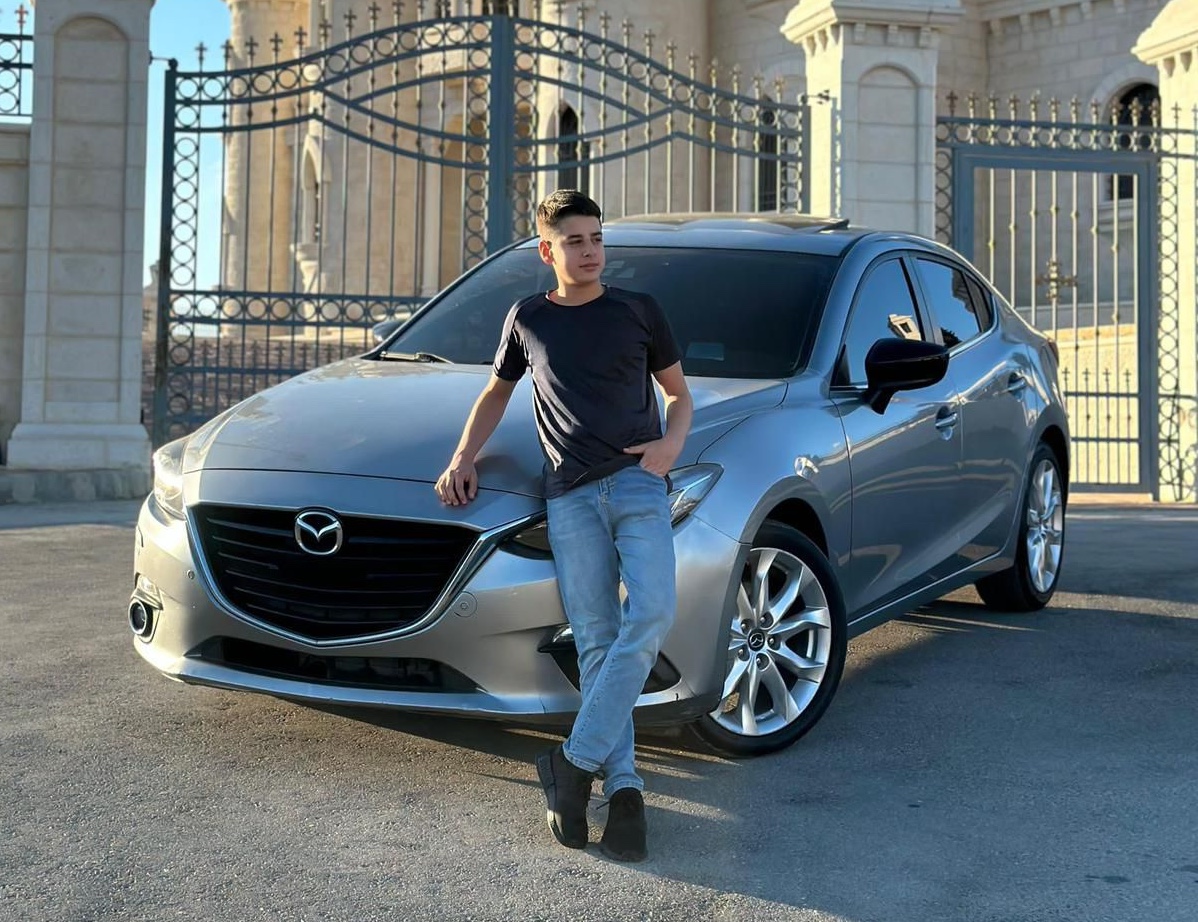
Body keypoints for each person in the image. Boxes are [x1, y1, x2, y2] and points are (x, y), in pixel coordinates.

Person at [434, 190, 693, 862]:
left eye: (596, 238)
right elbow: (496, 392)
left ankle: (572, 763)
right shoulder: (529, 318)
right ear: (547, 251)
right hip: (571, 497)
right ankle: (626, 790)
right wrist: (462, 458)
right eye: (574, 241)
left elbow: (678, 395)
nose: (590, 251)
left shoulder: (638, 310)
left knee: (653, 613)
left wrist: (670, 446)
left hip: (638, 483)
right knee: (598, 639)